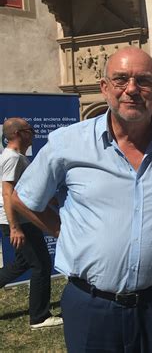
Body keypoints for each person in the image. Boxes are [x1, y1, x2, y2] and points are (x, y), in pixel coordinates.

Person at [12, 47, 152, 352]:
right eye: (121, 79)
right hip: (90, 306)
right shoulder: (68, 143)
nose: (132, 89)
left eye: (144, 81)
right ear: (105, 88)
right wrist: (64, 232)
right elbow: (24, 198)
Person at [0, 118, 63, 330]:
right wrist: (15, 226)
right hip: (20, 220)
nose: (34, 134)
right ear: (19, 133)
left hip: (20, 219)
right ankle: (39, 317)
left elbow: (26, 189)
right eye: (31, 130)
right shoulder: (13, 158)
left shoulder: (16, 157)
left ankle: (39, 314)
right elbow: (8, 193)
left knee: (22, 263)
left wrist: (53, 200)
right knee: (41, 265)